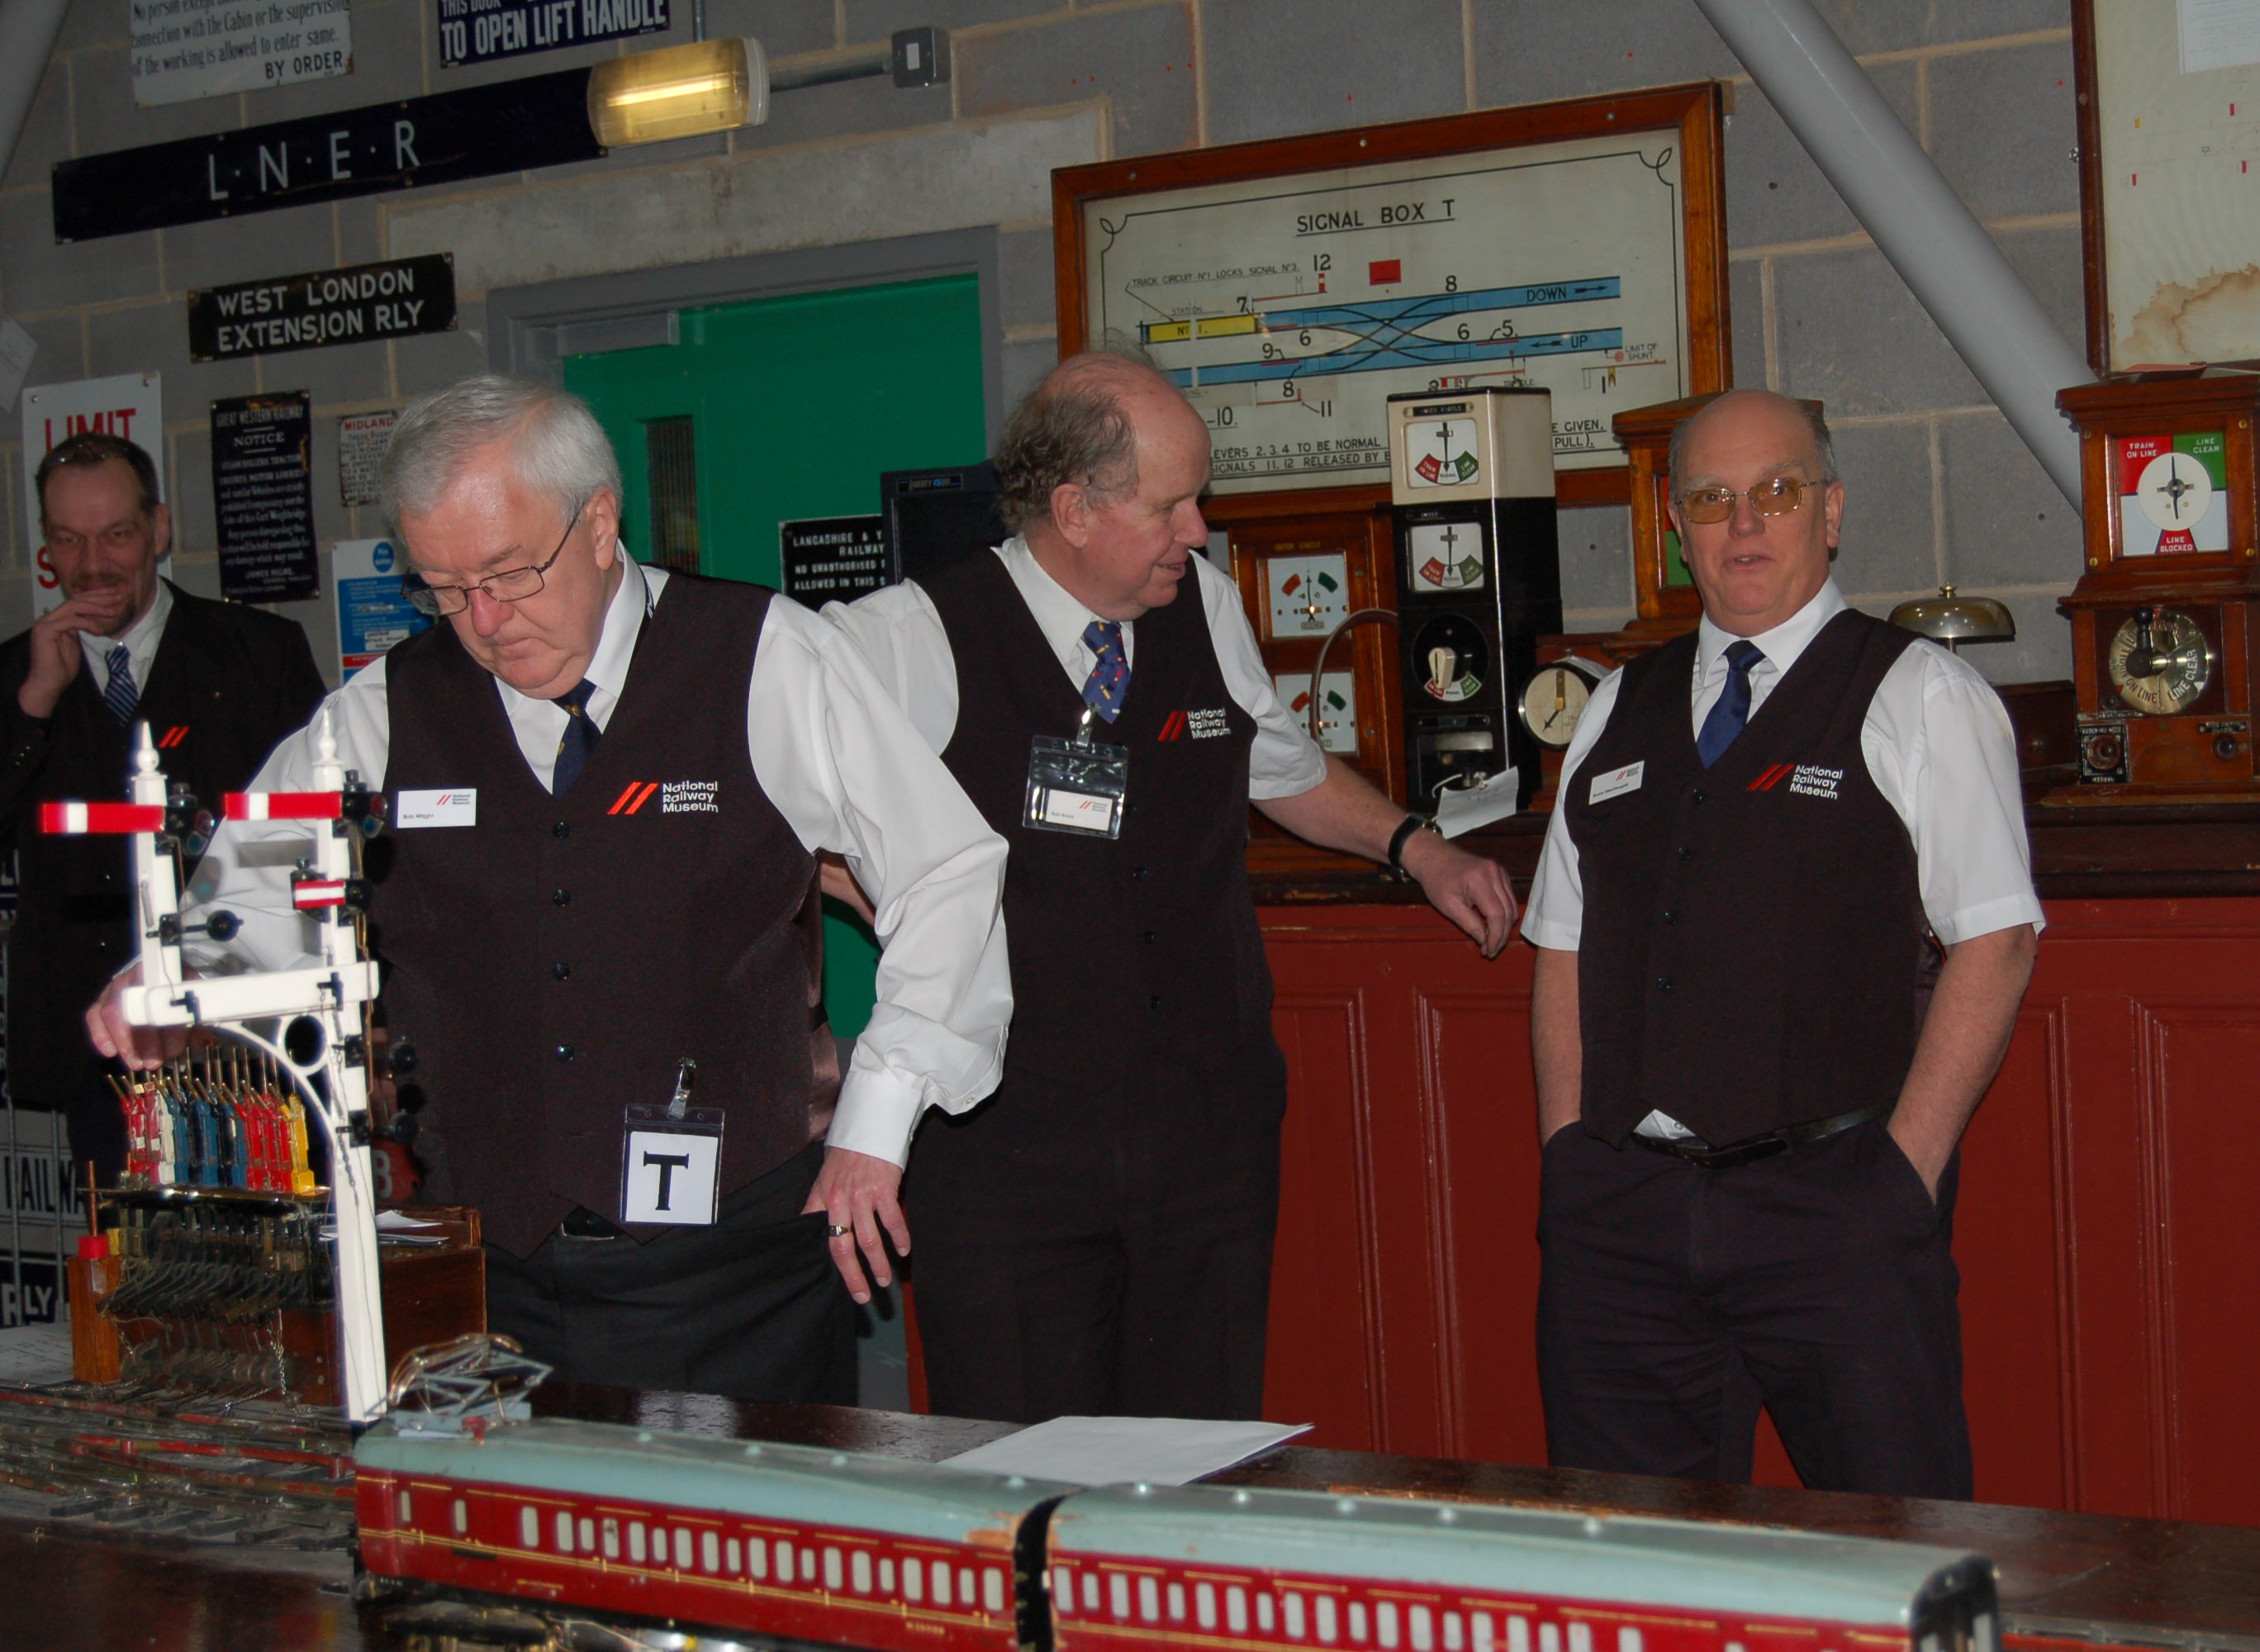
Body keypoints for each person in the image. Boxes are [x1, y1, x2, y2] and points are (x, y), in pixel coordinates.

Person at [88, 377, 1011, 1406]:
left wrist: (875, 1127)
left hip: (734, 1269)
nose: (483, 620)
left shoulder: (767, 658)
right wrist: (172, 974)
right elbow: (249, 898)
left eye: (510, 572)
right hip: (488, 1270)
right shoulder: (383, 712)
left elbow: (948, 870)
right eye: (442, 586)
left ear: (602, 522)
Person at [824, 349, 1521, 1424]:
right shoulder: (908, 639)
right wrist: (876, 893)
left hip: (1204, 1142)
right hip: (1010, 1153)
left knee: (1195, 1451)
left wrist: (1415, 846)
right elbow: (765, 802)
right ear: (1074, 508)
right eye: (1172, 505)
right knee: (1029, 1470)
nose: (1197, 529)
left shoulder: (1204, 602)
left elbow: (1281, 771)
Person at [1522, 387, 2041, 1498]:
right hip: (1622, 1216)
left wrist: (1902, 1175)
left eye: (1777, 492)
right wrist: (1569, 1154)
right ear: (1675, 524)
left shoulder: (1920, 696)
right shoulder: (1615, 708)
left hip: (1836, 1208)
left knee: (1893, 1554)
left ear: (1832, 510)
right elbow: (1561, 946)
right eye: (1712, 498)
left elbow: (1996, 941)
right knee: (1628, 1561)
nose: (1743, 525)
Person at [0, 431, 325, 1183]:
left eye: (116, 535)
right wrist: (34, 707)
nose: (92, 565)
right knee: (132, 1275)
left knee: (268, 1263)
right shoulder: (18, 671)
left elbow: (307, 832)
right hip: (100, 1049)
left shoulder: (257, 651)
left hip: (244, 1034)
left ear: (160, 529)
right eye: (68, 540)